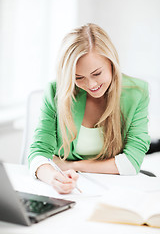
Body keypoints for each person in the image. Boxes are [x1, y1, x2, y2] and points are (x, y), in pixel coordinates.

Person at [28, 23, 150, 194]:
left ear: (111, 62)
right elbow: (37, 155)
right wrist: (53, 177)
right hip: (68, 191)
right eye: (78, 77)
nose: (91, 84)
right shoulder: (56, 91)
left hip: (113, 192)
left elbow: (131, 163)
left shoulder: (137, 93)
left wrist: (72, 166)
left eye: (97, 73)